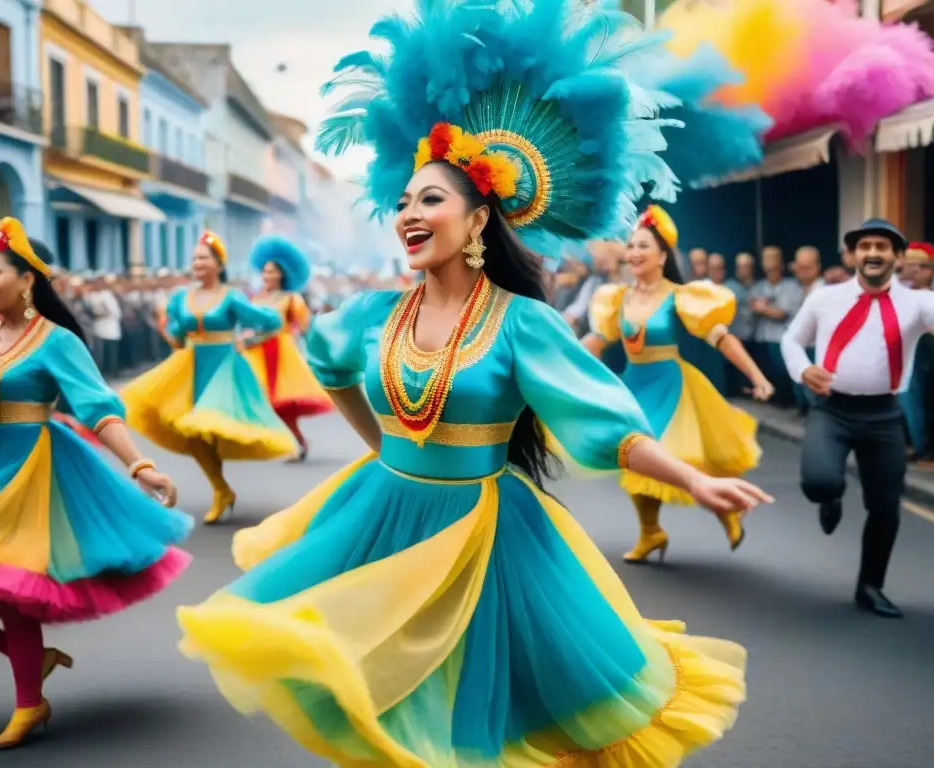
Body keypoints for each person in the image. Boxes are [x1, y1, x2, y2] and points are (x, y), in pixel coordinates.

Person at [176, 2, 773, 766]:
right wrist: (383, 447)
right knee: (375, 694)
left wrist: (694, 477)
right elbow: (330, 369)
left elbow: (606, 424)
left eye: (430, 200)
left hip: (486, 535)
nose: (407, 215)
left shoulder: (522, 324)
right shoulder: (367, 314)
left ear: (479, 221)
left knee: (475, 713)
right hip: (382, 516)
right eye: (401, 201)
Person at [0, 218, 191, 749]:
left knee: (12, 589)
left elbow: (98, 408)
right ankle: (32, 661)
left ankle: (29, 703)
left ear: (27, 279)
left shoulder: (57, 342)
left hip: (35, 473)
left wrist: (139, 467)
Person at [583, 206, 774, 561]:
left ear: (663, 255)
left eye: (643, 246)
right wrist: (556, 371)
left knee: (682, 457)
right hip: (634, 386)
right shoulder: (616, 298)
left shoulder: (682, 296)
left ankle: (725, 509)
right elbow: (593, 342)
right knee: (632, 458)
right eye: (631, 246)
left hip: (671, 384)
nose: (634, 253)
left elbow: (722, 338)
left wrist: (757, 376)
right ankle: (651, 532)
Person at [781, 219, 934, 619]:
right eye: (864, 245)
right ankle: (830, 496)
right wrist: (802, 370)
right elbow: (792, 340)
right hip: (832, 410)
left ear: (897, 257)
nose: (872, 253)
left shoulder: (918, 303)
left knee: (886, 508)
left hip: (884, 416)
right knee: (819, 482)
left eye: (882, 246)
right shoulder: (824, 298)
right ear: (851, 255)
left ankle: (870, 586)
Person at [121, 231, 298, 524]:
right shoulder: (180, 297)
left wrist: (250, 341)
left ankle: (221, 490)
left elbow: (272, 321)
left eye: (203, 258)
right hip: (191, 367)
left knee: (208, 428)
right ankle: (221, 489)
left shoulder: (231, 297)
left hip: (224, 369)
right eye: (194, 259)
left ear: (218, 263)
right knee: (192, 432)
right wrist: (165, 328)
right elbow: (177, 338)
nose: (197, 263)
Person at [244, 235, 334, 462]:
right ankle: (271, 442)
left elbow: (305, 329)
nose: (267, 275)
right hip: (254, 353)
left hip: (280, 354)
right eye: (264, 271)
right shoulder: (255, 298)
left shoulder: (292, 299)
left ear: (282, 274)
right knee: (254, 399)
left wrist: (318, 354)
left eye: (272, 271)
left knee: (280, 404)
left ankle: (296, 442)